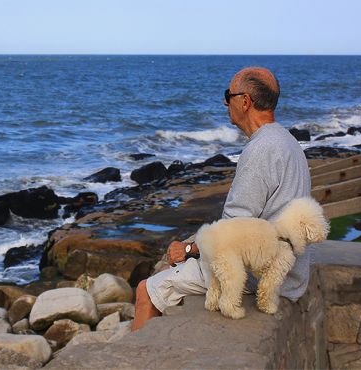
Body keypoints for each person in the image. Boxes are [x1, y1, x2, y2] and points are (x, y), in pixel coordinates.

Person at [132, 66, 312, 331]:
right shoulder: (287, 141)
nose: (225, 102)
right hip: (289, 271)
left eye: (228, 95)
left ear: (245, 101)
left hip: (258, 275)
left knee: (146, 290)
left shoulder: (260, 150)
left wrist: (189, 250)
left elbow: (233, 228)